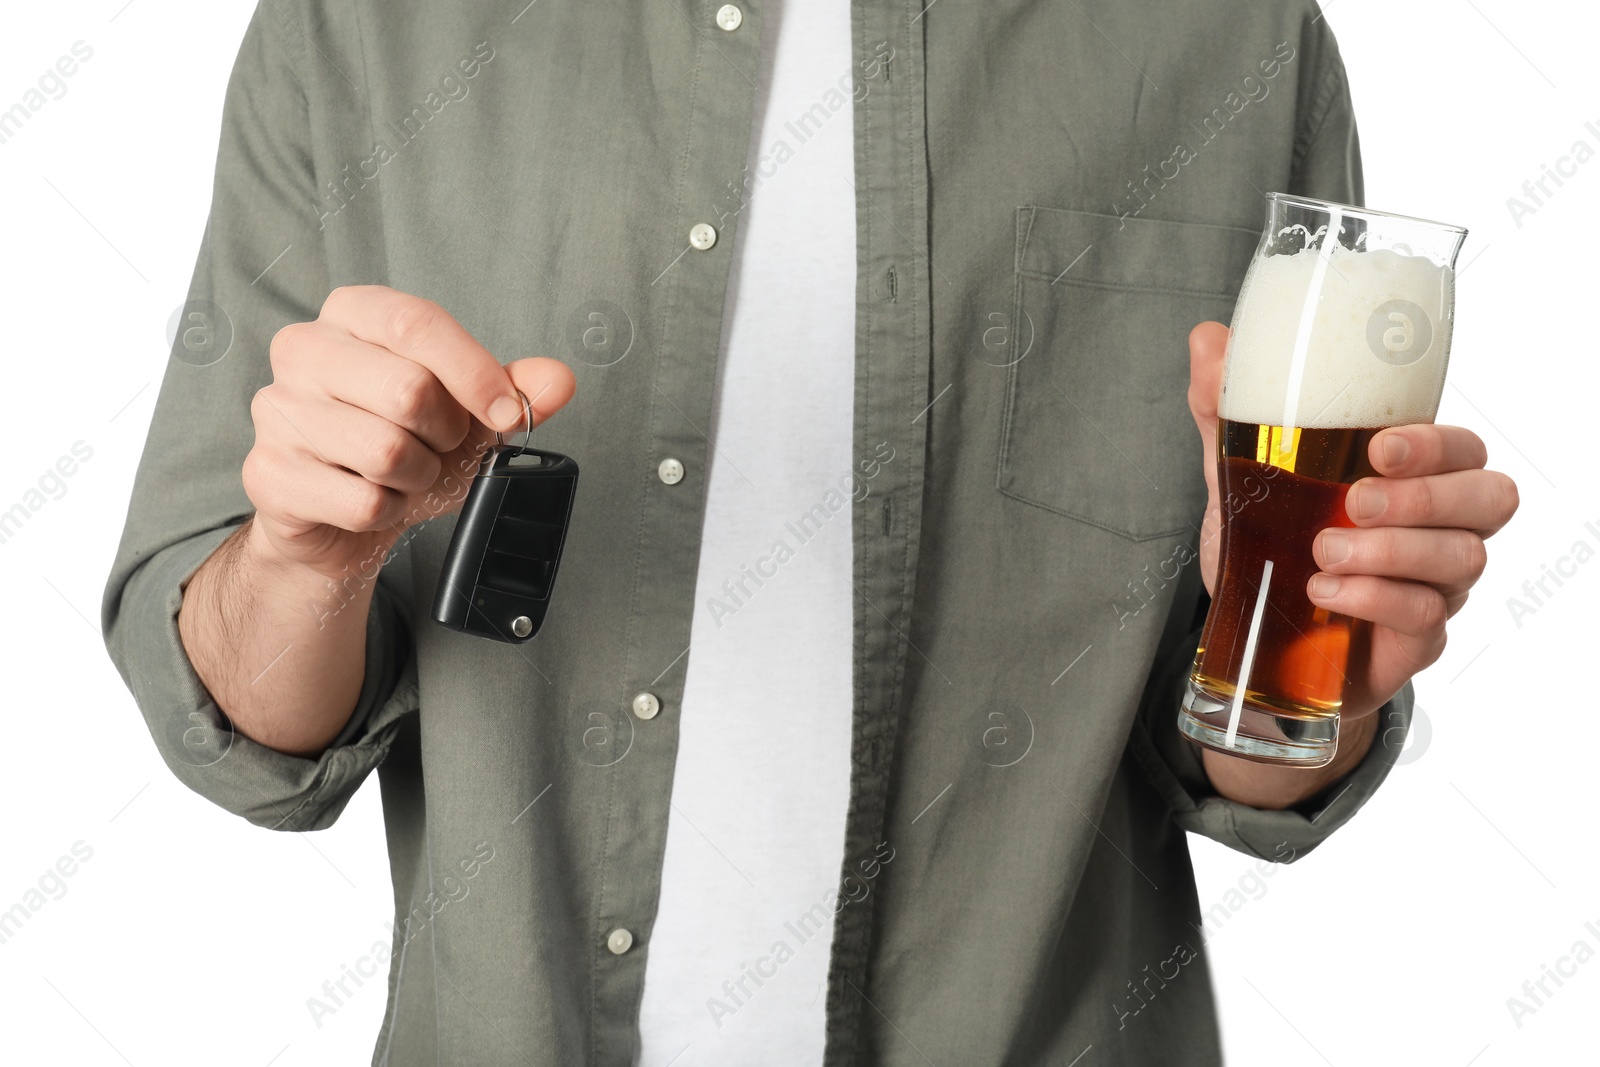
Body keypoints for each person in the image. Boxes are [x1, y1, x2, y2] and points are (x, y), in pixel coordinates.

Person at [100, 1, 1518, 1064]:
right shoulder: (365, 26)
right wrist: (308, 560)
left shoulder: (1223, 34)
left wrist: (1325, 653)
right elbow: (242, 730)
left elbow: (1239, 759)